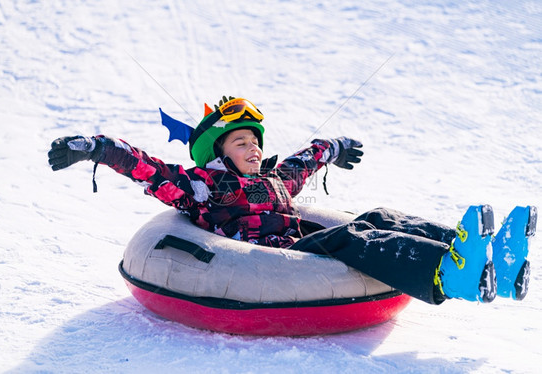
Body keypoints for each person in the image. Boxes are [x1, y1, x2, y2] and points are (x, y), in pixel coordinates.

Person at [48, 96, 536, 305]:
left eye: (255, 141)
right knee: (354, 236)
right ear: (218, 152)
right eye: (241, 143)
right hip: (272, 257)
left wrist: (336, 150)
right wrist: (95, 148)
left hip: (303, 242)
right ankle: (452, 276)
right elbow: (143, 166)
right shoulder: (200, 187)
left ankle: (480, 255)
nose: (253, 148)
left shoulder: (277, 178)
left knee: (376, 217)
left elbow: (307, 157)